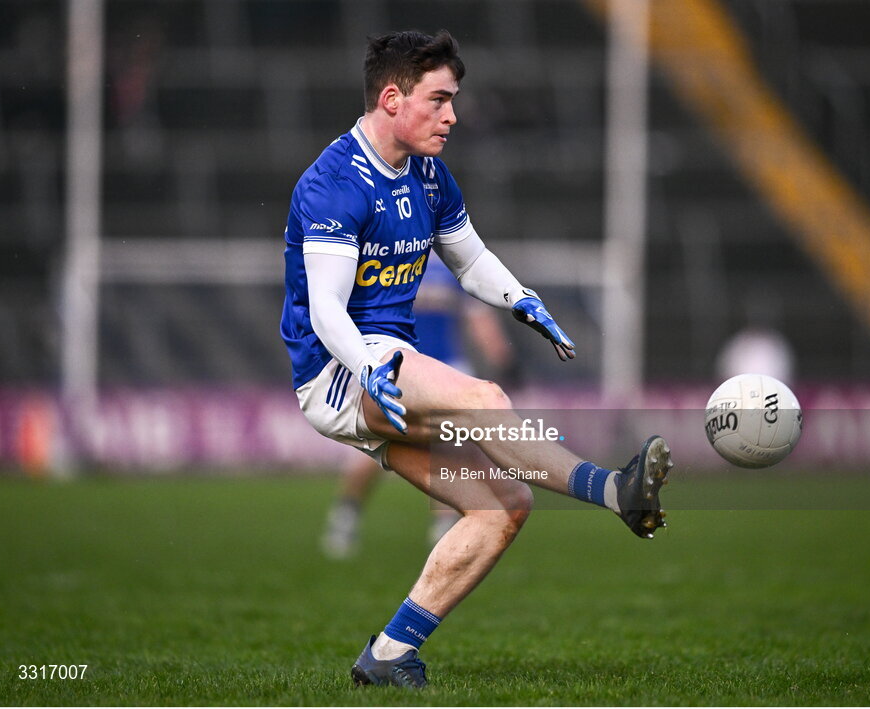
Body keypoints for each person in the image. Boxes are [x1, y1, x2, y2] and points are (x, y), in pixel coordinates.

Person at [280, 30, 673, 689]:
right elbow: (326, 310)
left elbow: (469, 258)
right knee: (487, 399)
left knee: (504, 505)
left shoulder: (430, 174)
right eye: (439, 100)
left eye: (453, 100)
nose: (452, 116)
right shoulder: (332, 183)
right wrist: (370, 369)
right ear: (391, 97)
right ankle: (615, 489)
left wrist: (523, 299)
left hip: (385, 364)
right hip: (341, 369)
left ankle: (388, 653)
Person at [320, 254, 513, 558]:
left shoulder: (448, 260)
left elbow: (477, 316)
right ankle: (347, 513)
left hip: (445, 368)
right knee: (375, 446)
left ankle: (444, 526)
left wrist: (501, 356)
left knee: (451, 448)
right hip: (395, 365)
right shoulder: (387, 255)